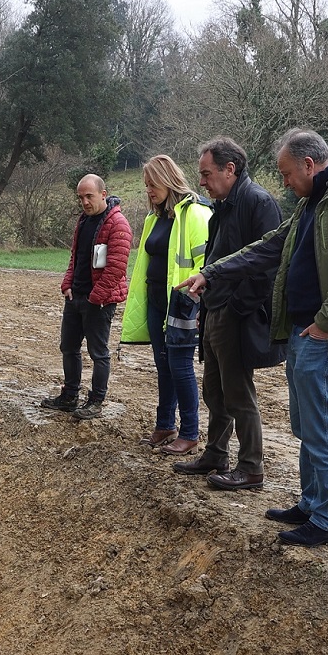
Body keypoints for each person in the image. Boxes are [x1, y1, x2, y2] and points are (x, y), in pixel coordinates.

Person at [186, 128, 328, 546]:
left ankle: (327, 519)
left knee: (322, 425)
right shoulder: (313, 200)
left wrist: (325, 323)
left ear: (309, 165)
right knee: (306, 424)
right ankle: (312, 502)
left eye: (287, 173)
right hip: (303, 328)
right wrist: (212, 272)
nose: (284, 183)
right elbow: (270, 245)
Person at [171, 137, 285, 490]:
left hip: (236, 314)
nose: (201, 182)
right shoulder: (222, 206)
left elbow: (269, 265)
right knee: (214, 390)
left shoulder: (257, 202)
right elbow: (217, 259)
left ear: (229, 169)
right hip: (215, 309)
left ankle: (251, 467)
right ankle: (215, 454)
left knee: (238, 392)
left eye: (206, 174)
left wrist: (236, 308)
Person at [119, 155, 211, 454]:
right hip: (156, 301)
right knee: (163, 365)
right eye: (145, 185)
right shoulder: (154, 217)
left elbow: (206, 263)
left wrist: (197, 305)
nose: (148, 190)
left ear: (167, 179)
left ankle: (190, 432)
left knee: (180, 366)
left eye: (152, 184)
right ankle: (164, 425)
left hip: (183, 303)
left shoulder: (195, 214)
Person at [42, 174, 132, 420]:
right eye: (80, 197)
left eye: (89, 196)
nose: (84, 202)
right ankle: (69, 396)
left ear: (103, 194)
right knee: (68, 347)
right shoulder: (83, 221)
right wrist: (67, 284)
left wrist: (95, 297)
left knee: (98, 352)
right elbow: (76, 257)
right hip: (76, 297)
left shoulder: (118, 224)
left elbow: (116, 268)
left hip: (99, 302)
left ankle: (96, 401)